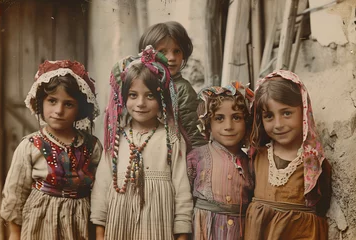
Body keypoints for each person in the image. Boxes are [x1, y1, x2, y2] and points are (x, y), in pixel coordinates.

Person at [90, 46, 193, 240]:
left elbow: (181, 188)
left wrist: (182, 232)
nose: (140, 103)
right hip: (120, 223)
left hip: (158, 223)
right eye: (133, 95)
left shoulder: (171, 138)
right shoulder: (116, 138)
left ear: (162, 98)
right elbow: (102, 186)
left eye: (150, 96)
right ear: (123, 98)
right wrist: (99, 229)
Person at [0, 60, 103, 240]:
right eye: (52, 101)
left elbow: (100, 190)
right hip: (41, 219)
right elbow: (15, 193)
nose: (58, 110)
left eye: (68, 104)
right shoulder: (31, 145)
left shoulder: (91, 146)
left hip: (79, 222)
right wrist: (15, 233)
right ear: (41, 102)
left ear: (80, 109)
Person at [244, 70, 332, 239]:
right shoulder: (257, 157)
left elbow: (321, 207)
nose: (278, 124)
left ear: (304, 112)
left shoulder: (314, 164)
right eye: (269, 116)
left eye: (286, 113)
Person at [187, 83, 254, 240]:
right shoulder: (197, 157)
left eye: (236, 117)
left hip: (240, 231)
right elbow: (183, 199)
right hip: (204, 230)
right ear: (208, 123)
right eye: (219, 118)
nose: (228, 126)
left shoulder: (252, 162)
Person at [139, 21, 207, 151]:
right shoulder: (142, 85)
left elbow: (194, 134)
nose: (171, 57)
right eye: (162, 51)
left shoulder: (182, 89)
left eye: (177, 51)